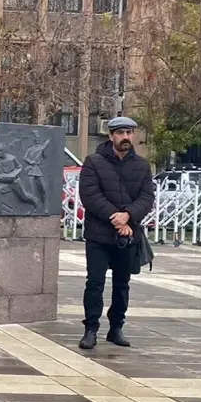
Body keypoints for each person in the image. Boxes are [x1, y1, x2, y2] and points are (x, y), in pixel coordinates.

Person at [77, 116, 155, 351]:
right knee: (95, 283)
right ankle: (91, 329)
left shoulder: (142, 166)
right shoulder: (93, 162)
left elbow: (146, 198)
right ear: (111, 135)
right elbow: (90, 196)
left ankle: (116, 328)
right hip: (99, 234)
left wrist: (128, 215)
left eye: (129, 133)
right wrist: (117, 218)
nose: (125, 137)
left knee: (122, 284)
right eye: (120, 133)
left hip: (128, 235)